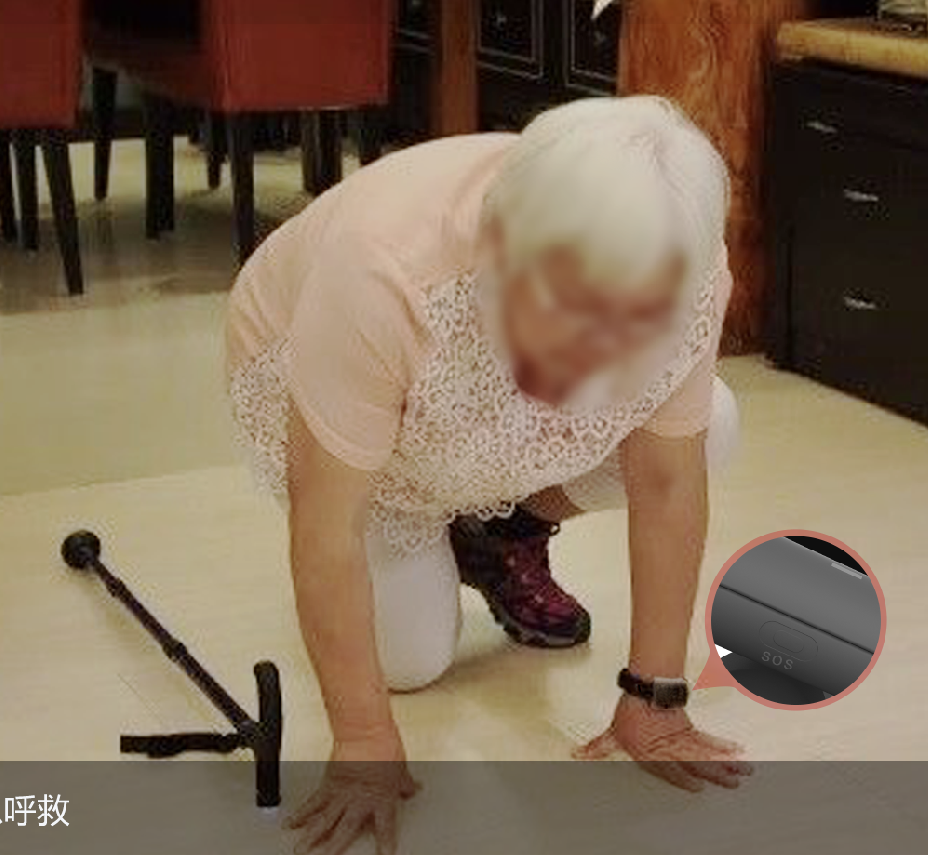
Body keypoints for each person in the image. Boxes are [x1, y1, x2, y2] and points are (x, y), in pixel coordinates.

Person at [226, 96, 750, 853]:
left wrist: (654, 697)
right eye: (560, 327)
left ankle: (497, 532)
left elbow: (669, 481)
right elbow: (325, 524)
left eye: (614, 340)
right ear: (501, 248)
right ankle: (450, 525)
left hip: (479, 423)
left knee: (711, 427)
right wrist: (364, 741)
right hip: (369, 435)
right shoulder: (381, 272)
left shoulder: (685, 259)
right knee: (410, 663)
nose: (580, 365)